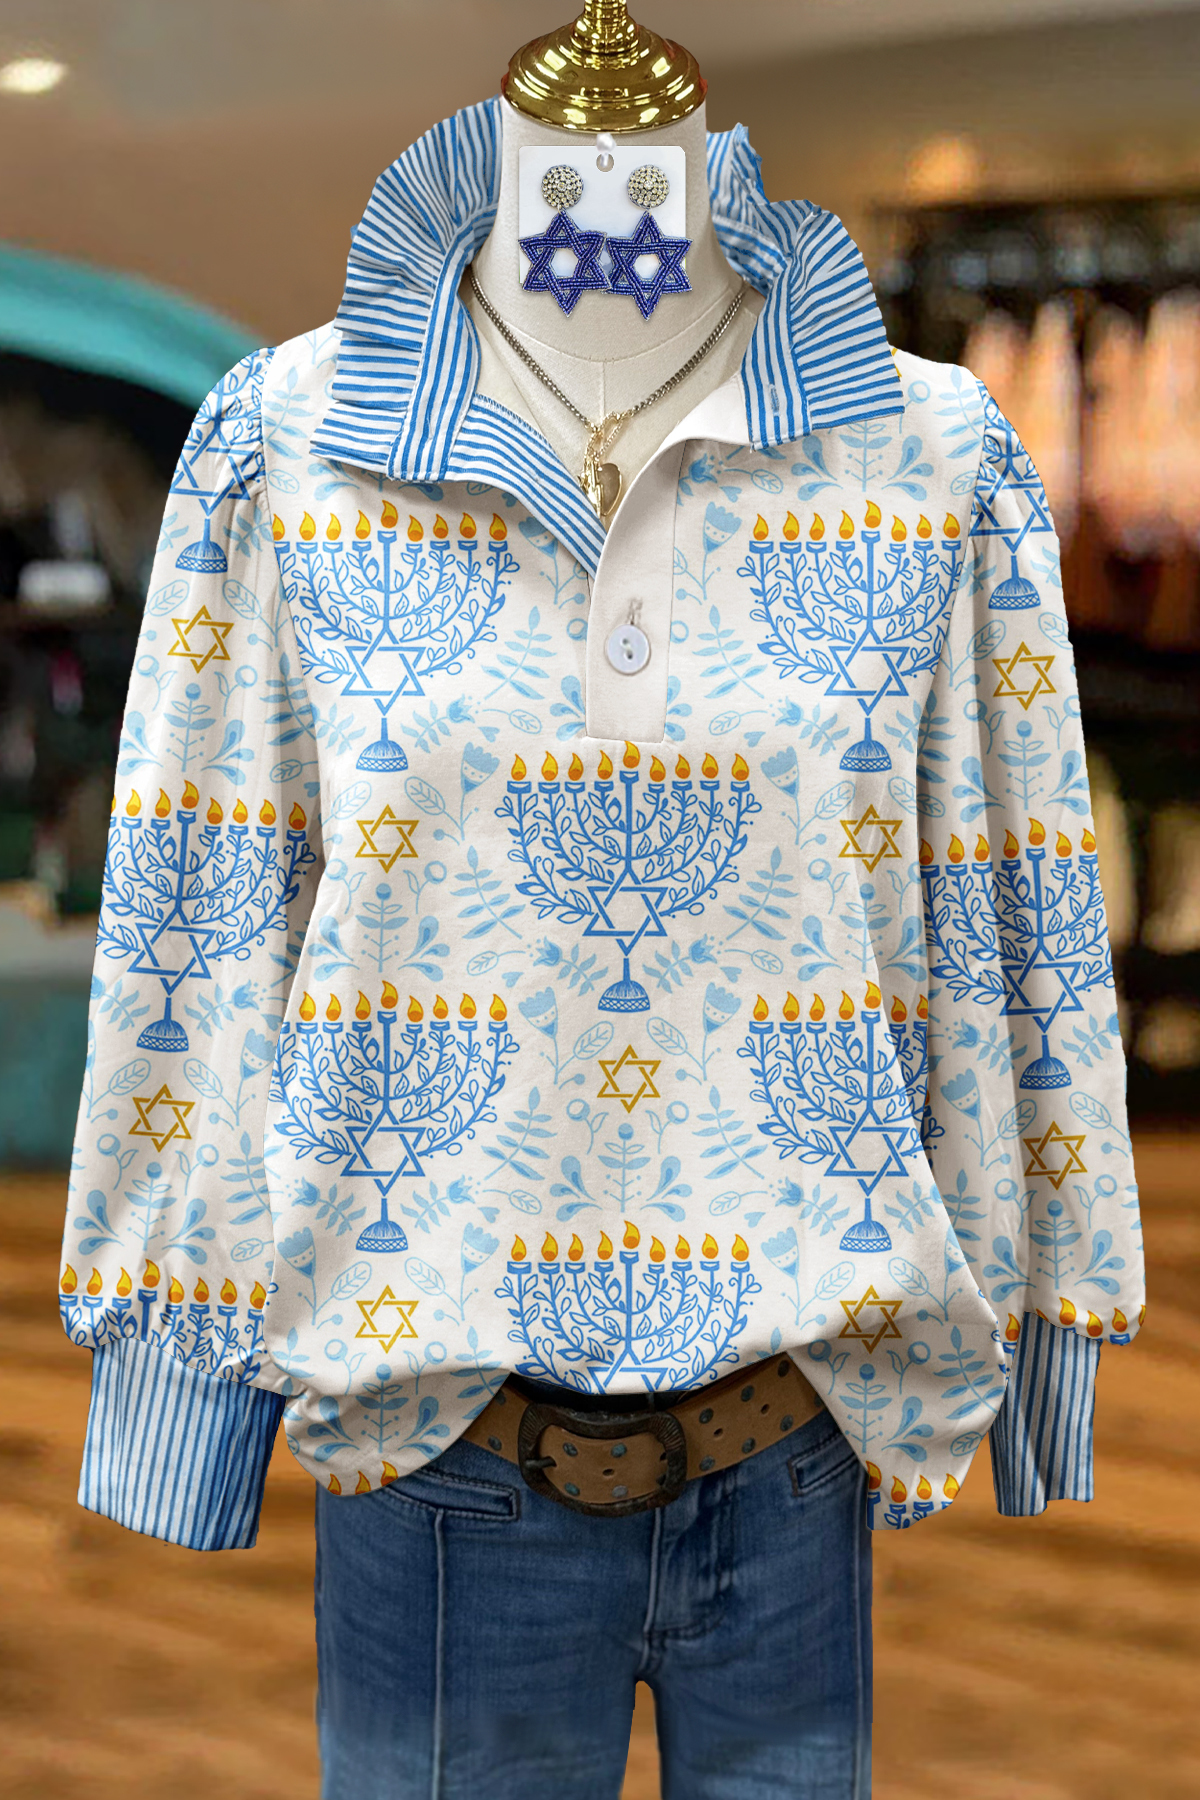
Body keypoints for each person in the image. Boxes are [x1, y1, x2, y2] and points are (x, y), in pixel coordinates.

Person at [60, 7, 1143, 1796]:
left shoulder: (929, 455)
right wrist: (180, 1397)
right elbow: (204, 913)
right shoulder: (290, 444)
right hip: (440, 1466)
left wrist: (1044, 1335)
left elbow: (1010, 907)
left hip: (801, 1446)